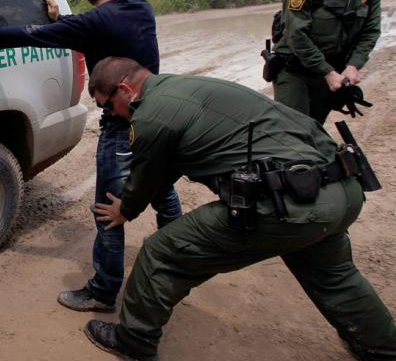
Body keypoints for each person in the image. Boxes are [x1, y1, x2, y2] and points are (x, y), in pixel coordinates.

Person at [84, 57, 396, 361]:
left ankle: (134, 340)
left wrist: (126, 209)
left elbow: (146, 175)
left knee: (161, 253)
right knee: (334, 274)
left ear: (125, 89)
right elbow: (171, 165)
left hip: (289, 204)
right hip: (341, 188)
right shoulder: (186, 86)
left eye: (108, 105)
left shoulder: (150, 115)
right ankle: (382, 346)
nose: (112, 114)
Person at [0, 0, 182, 313]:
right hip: (158, 112)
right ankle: (179, 253)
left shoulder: (90, 24)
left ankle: (103, 291)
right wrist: (62, 19)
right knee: (161, 186)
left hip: (121, 122)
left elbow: (34, 34)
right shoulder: (142, 9)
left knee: (108, 208)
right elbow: (91, 28)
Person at [271, 0, 385, 124]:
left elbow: (371, 31)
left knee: (315, 128)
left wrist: (353, 66)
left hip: (331, 73)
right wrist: (327, 71)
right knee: (293, 131)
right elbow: (296, 36)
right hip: (296, 72)